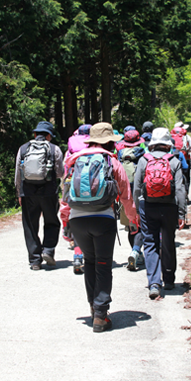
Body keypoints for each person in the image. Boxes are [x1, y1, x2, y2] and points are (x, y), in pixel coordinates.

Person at [62, 122, 137, 332]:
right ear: (109, 143)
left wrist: (65, 222)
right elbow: (126, 194)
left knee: (90, 262)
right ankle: (101, 315)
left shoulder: (75, 160)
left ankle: (93, 309)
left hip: (78, 220)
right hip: (103, 219)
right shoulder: (111, 161)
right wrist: (133, 218)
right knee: (103, 264)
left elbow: (65, 195)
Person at [133, 128, 186, 300]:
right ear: (167, 144)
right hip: (169, 207)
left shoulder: (143, 160)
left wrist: (136, 209)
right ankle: (169, 280)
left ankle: (154, 283)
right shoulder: (174, 161)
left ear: (152, 143)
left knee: (150, 243)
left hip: (148, 206)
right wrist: (182, 213)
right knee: (168, 241)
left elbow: (137, 187)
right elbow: (179, 189)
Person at [15, 121, 64, 270]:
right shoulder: (54, 149)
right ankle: (48, 250)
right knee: (52, 222)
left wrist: (19, 193)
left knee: (30, 226)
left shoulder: (23, 148)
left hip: (28, 193)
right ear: (49, 135)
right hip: (49, 192)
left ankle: (35, 261)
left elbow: (18, 173)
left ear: (35, 134)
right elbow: (61, 173)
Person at [61, 124, 92, 274]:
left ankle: (78, 256)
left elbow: (65, 169)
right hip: (94, 188)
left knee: (76, 220)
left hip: (72, 183)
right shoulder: (95, 146)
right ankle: (92, 257)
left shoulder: (71, 148)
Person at [116, 128, 147, 271]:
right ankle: (136, 251)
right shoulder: (143, 156)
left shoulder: (119, 156)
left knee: (130, 226)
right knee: (140, 225)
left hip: (124, 197)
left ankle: (136, 252)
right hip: (140, 196)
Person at [172, 122, 191, 192]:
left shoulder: (170, 136)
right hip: (185, 158)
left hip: (172, 159)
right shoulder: (187, 137)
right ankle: (186, 193)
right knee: (187, 176)